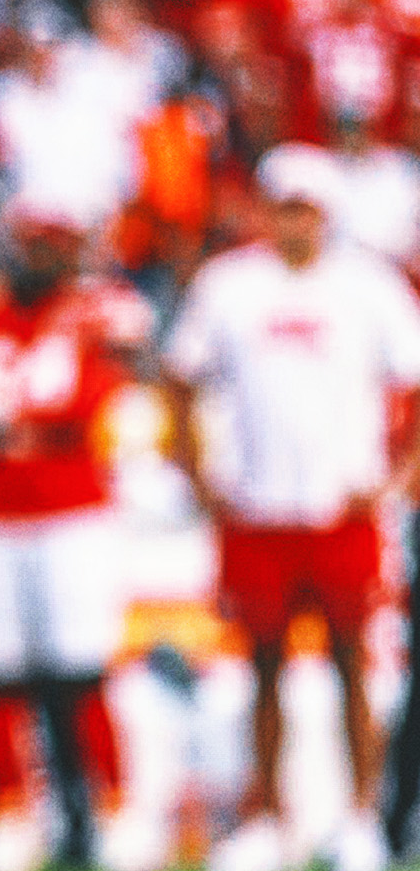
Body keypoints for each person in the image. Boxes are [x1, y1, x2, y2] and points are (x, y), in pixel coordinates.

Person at [165, 146, 420, 871]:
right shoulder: (228, 286)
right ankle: (269, 818)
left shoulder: (368, 287)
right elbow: (181, 375)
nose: (295, 222)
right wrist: (196, 471)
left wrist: (398, 475)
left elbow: (413, 377)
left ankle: (361, 817)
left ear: (327, 214)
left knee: (352, 664)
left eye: (306, 209)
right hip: (257, 506)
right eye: (284, 207)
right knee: (263, 666)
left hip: (343, 508)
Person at [0, 196, 155, 871]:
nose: (42, 257)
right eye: (33, 243)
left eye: (54, 244)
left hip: (71, 511)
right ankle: (10, 814)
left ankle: (109, 808)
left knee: (83, 667)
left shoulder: (97, 313)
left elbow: (123, 390)